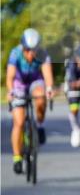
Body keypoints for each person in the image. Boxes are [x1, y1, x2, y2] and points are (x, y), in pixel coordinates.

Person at [6, 28, 54, 173]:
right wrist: (11, 91)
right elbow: (10, 76)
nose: (31, 54)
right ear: (23, 47)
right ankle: (17, 158)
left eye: (34, 50)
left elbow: (47, 74)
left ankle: (39, 125)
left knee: (41, 97)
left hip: (35, 81)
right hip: (19, 84)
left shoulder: (43, 54)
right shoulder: (15, 53)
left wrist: (49, 88)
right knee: (19, 122)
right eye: (28, 50)